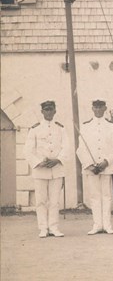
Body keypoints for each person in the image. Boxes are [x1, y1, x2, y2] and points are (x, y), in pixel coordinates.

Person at [25, 100, 70, 238]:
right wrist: (39, 162)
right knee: (41, 201)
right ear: (42, 111)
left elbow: (67, 147)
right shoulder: (35, 129)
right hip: (40, 170)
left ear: (55, 111)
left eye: (51, 109)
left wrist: (58, 160)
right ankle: (43, 228)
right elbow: (27, 150)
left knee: (55, 201)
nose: (49, 112)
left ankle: (54, 227)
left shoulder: (61, 128)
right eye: (46, 110)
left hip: (56, 169)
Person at [76, 98, 113, 235]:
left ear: (105, 108)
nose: (98, 110)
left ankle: (107, 225)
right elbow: (80, 149)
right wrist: (89, 165)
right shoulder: (86, 126)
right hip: (91, 168)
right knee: (94, 196)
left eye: (101, 107)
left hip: (106, 166)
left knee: (106, 196)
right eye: (96, 107)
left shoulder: (112, 127)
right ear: (92, 109)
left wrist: (106, 162)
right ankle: (97, 224)